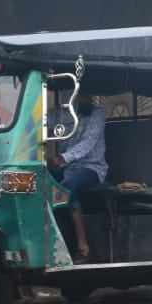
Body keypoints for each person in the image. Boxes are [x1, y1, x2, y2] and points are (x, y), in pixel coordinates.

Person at [48, 95, 107, 260]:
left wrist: (62, 158)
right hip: (66, 167)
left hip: (91, 168)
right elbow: (39, 124)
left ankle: (82, 245)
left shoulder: (97, 114)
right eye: (81, 93)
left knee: (67, 186)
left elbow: (88, 143)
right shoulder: (60, 114)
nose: (86, 98)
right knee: (40, 180)